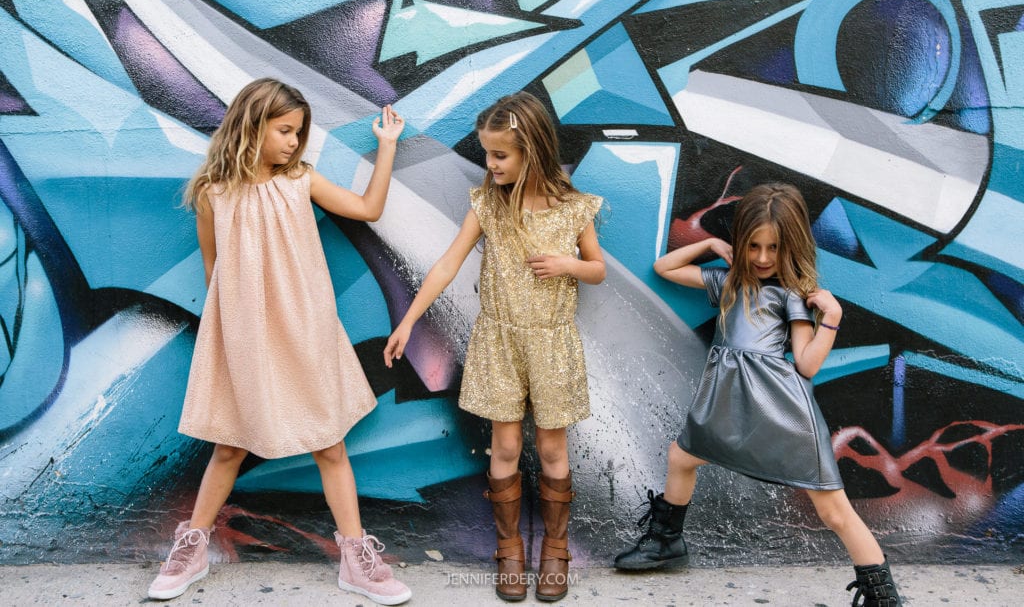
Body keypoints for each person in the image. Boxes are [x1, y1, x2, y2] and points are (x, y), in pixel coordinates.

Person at [148, 78, 411, 606]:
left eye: (299, 133)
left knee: (329, 444)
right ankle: (192, 547)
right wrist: (228, 335)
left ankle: (356, 556)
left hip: (305, 329)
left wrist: (386, 148)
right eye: (285, 130)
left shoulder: (300, 181)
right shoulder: (213, 194)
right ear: (252, 125)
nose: (294, 142)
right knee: (229, 443)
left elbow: (367, 209)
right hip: (244, 336)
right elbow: (212, 268)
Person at [614, 183, 902, 607]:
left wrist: (833, 318)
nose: (763, 258)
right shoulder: (730, 282)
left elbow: (805, 364)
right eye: (753, 246)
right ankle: (666, 543)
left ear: (791, 246)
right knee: (682, 457)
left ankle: (883, 596)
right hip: (727, 400)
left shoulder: (792, 296)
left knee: (833, 510)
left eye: (774, 248)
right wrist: (711, 242)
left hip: (781, 408)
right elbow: (665, 268)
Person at [383, 91, 605, 602]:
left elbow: (597, 268)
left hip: (552, 343)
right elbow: (447, 263)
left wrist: (568, 265)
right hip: (498, 340)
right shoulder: (488, 204)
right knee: (505, 446)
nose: (491, 164)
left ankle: (555, 549)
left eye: (500, 155)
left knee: (552, 448)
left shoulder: (572, 207)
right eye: (487, 153)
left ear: (532, 150)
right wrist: (409, 321)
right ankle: (509, 550)